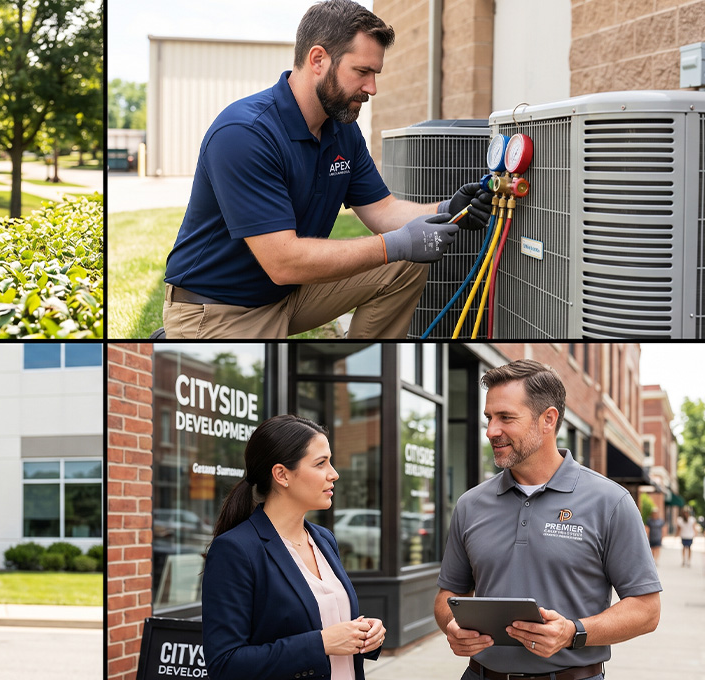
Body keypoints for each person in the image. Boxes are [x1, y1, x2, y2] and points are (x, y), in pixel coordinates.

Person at [161, 0, 491, 339]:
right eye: (362, 72)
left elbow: (384, 210)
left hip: (287, 295)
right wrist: (394, 244)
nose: (372, 88)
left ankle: (363, 367)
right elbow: (283, 261)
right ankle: (181, 337)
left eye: (374, 74)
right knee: (270, 389)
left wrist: (448, 211)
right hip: (221, 310)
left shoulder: (341, 129)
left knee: (405, 265)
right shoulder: (244, 133)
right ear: (318, 59)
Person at [435, 360, 661, 680]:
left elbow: (646, 610)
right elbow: (447, 595)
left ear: (548, 419)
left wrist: (573, 632)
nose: (490, 431)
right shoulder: (470, 504)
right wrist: (452, 626)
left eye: (506, 418)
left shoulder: (611, 502)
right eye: (489, 418)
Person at [201, 414, 386, 680]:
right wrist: (321, 643)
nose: (334, 474)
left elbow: (331, 629)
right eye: (321, 463)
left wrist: (367, 635)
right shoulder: (236, 550)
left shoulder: (324, 540)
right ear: (281, 475)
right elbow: (225, 665)